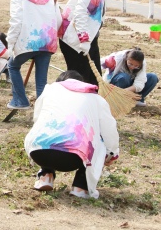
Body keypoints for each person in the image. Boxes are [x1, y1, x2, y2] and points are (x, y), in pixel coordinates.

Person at [24, 70, 119, 199]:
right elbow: (109, 129)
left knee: (49, 133)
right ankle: (81, 186)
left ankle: (45, 176)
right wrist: (112, 153)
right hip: (73, 158)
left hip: (37, 152)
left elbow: (37, 119)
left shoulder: (49, 90)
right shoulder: (96, 99)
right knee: (98, 140)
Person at [58, 0, 126, 85]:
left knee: (94, 78)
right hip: (75, 41)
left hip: (89, 39)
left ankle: (93, 96)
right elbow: (80, 14)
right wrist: (83, 39)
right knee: (80, 78)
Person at [6, 0, 61, 110]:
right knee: (41, 80)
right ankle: (42, 110)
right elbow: (58, 20)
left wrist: (10, 44)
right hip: (47, 43)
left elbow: (16, 22)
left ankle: (20, 101)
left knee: (12, 66)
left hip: (28, 42)